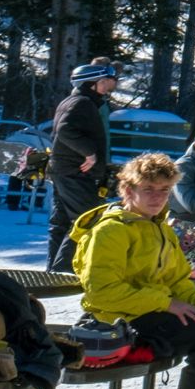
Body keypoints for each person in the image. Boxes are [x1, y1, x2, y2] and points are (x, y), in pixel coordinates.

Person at [71, 152, 195, 389]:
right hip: (115, 322)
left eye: (164, 190)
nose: (157, 197)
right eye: (148, 189)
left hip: (149, 314)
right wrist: (166, 303)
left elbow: (177, 283)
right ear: (128, 190)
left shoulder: (160, 228)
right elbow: (102, 292)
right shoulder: (111, 230)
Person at [47, 62, 119, 271]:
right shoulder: (82, 103)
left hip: (64, 170)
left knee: (61, 223)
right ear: (94, 82)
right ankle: (63, 270)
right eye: (107, 79)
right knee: (87, 219)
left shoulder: (74, 101)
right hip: (74, 171)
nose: (112, 83)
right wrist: (89, 153)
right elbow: (66, 130)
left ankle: (54, 269)